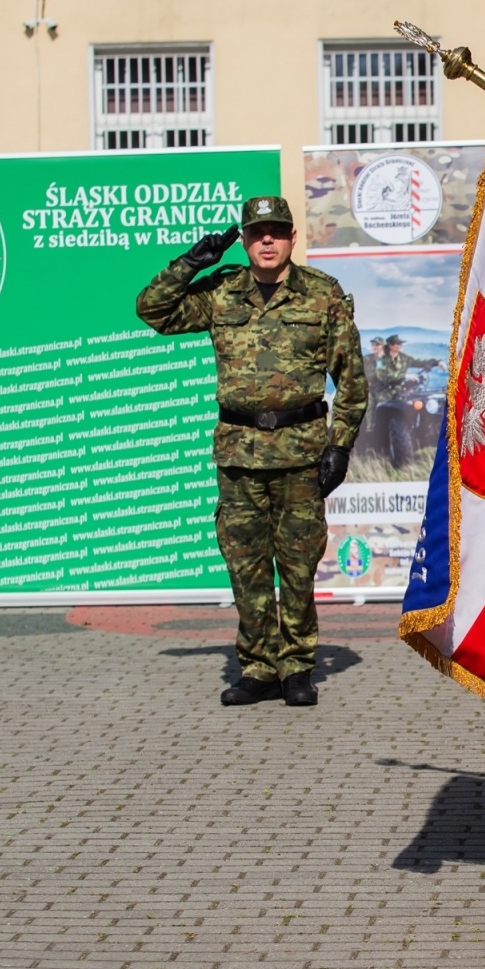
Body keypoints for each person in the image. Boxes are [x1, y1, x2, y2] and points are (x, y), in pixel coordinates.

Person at [137, 197, 368, 707]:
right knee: (245, 566)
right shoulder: (222, 292)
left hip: (301, 453)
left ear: (290, 239)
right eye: (257, 232)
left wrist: (341, 447)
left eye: (277, 232)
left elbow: (351, 379)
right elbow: (153, 311)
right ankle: (259, 667)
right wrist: (192, 263)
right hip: (239, 452)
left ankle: (297, 666)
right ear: (243, 240)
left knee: (299, 565)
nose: (267, 241)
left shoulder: (321, 295)